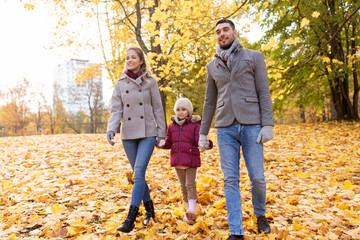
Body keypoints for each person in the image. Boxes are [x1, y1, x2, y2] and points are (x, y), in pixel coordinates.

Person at [198, 19, 274, 240]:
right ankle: (236, 230)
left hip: (252, 125)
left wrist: (267, 124)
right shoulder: (211, 66)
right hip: (225, 127)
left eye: (225, 30)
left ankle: (260, 214)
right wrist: (203, 132)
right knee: (230, 179)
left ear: (234, 32)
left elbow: (263, 92)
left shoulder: (254, 56)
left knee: (257, 177)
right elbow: (209, 102)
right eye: (218, 32)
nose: (222, 34)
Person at [106, 47, 166, 233]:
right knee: (138, 175)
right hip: (128, 135)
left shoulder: (150, 82)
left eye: (133, 58)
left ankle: (130, 218)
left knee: (139, 173)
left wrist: (161, 133)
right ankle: (150, 210)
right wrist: (111, 128)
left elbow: (158, 109)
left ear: (141, 61)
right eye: (127, 58)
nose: (129, 60)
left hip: (148, 133)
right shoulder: (120, 84)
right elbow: (116, 110)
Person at [158, 98, 213, 224]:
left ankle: (193, 209)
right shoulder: (171, 127)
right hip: (177, 161)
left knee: (190, 184)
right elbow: (169, 142)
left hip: (191, 160)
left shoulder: (195, 126)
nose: (181, 112)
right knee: (183, 186)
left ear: (189, 111)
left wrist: (206, 143)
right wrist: (162, 144)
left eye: (183, 109)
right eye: (178, 109)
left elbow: (198, 140)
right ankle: (189, 214)